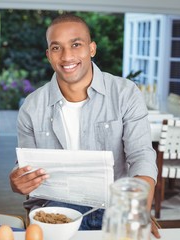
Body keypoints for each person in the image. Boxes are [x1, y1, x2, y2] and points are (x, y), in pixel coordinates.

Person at [9, 14, 160, 238]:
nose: (67, 55)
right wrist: (17, 180)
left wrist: (137, 211)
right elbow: (24, 168)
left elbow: (142, 157)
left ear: (92, 48)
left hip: (115, 209)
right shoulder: (31, 107)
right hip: (53, 212)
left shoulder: (125, 93)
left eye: (76, 44)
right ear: (49, 55)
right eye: (56, 48)